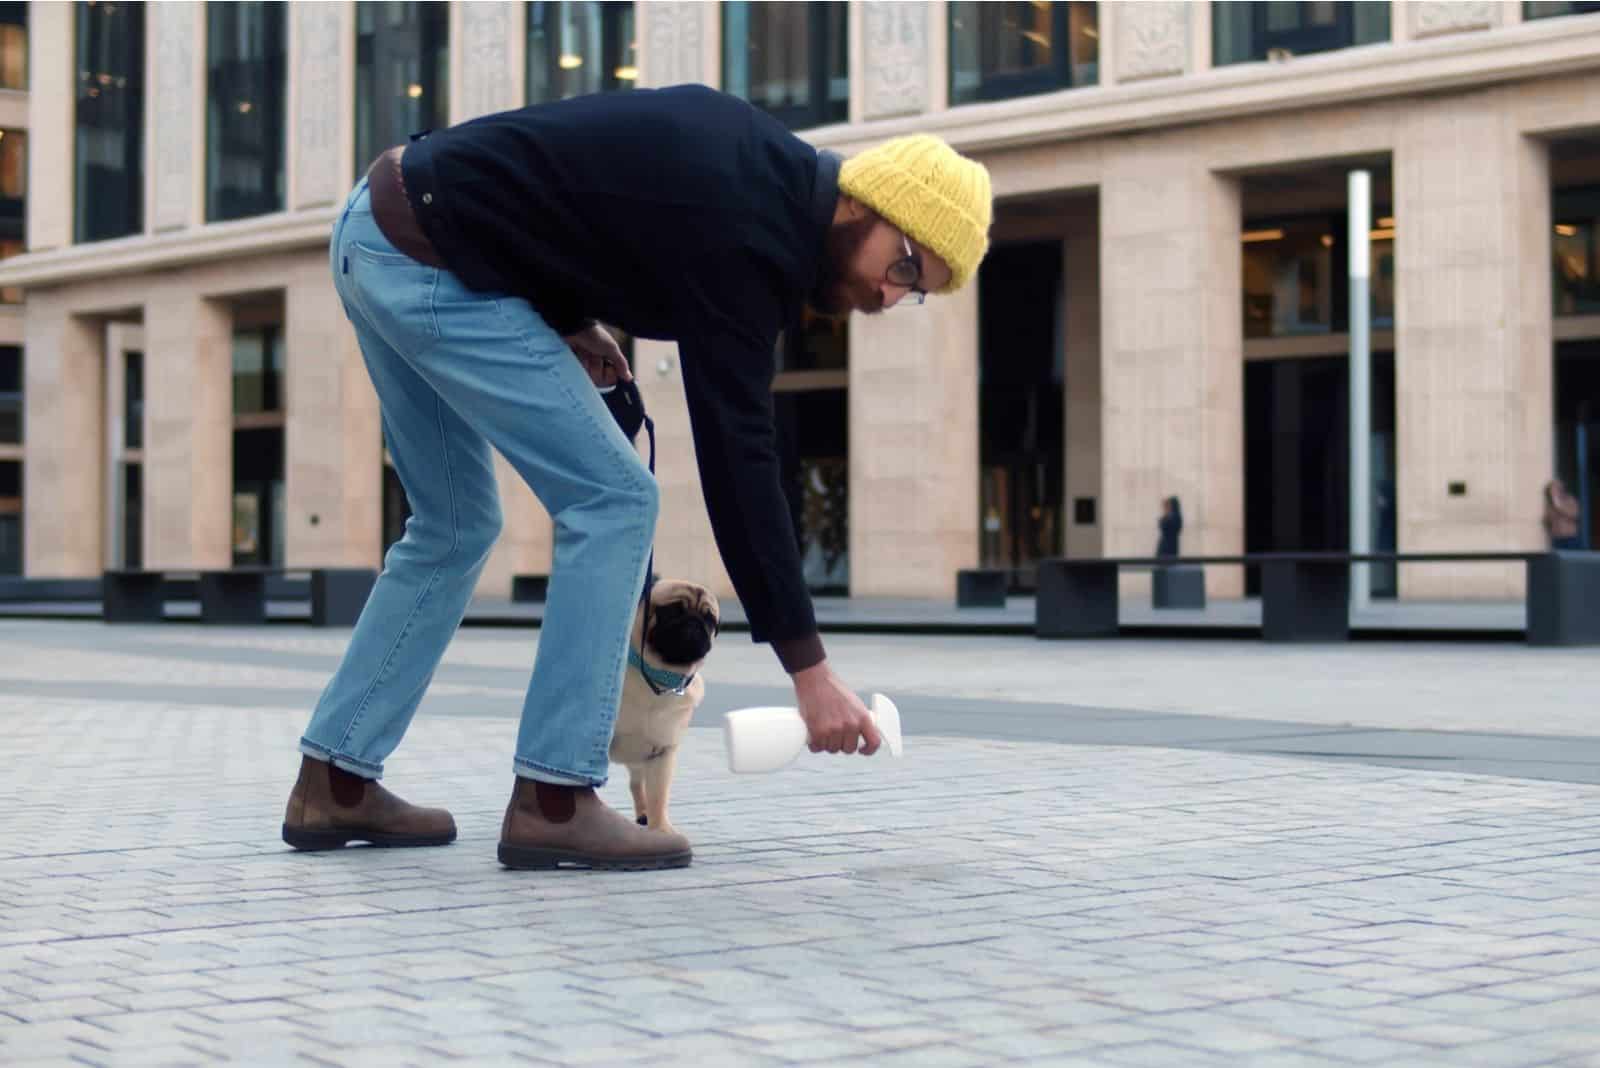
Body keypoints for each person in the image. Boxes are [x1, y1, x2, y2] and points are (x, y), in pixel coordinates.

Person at [280, 85, 994, 871]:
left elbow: (563, 184)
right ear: (869, 207)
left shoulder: (754, 181)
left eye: (917, 290)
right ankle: (555, 798)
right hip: (426, 256)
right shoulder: (752, 233)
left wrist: (568, 319)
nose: (892, 296)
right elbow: (740, 460)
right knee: (615, 497)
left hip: (380, 228)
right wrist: (810, 673)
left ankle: (334, 781)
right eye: (904, 265)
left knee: (454, 527)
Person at [1544, 479, 1582, 550]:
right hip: (1557, 538)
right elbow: (1548, 521)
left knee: (1572, 558)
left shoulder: (1570, 500)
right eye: (1552, 490)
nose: (1554, 492)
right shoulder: (1550, 505)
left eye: (1556, 489)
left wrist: (1558, 505)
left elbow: (1575, 515)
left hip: (1570, 537)